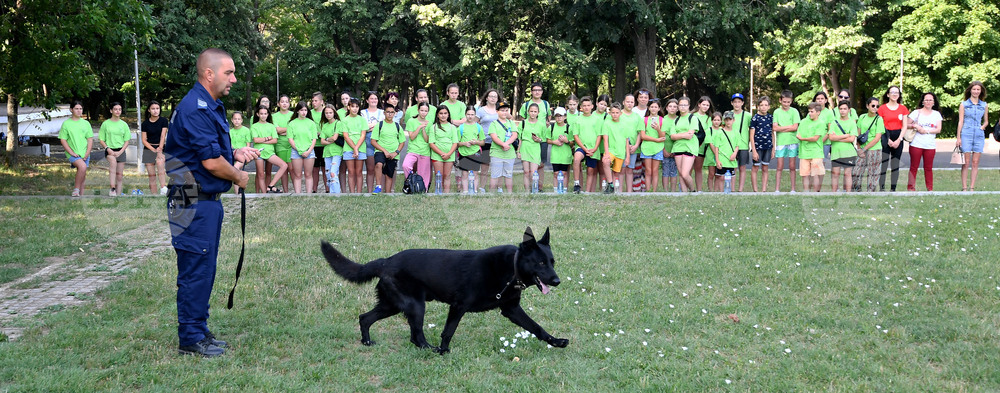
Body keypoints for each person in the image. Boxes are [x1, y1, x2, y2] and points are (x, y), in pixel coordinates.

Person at [164, 48, 259, 357]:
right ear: (209, 73)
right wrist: (238, 176)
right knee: (195, 269)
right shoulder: (195, 107)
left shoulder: (210, 106)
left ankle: (200, 329)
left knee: (204, 267)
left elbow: (210, 152)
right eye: (228, 73)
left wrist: (235, 155)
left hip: (202, 201)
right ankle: (190, 338)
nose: (233, 78)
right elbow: (210, 163)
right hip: (191, 200)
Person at [957, 81, 989, 191]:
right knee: (966, 162)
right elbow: (960, 121)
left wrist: (982, 127)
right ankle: (964, 187)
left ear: (981, 91)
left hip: (979, 134)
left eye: (978, 89)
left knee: (975, 162)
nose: (976, 91)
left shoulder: (984, 105)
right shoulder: (964, 104)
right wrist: (958, 137)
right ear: (970, 90)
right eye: (974, 89)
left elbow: (986, 121)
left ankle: (972, 187)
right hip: (966, 133)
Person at [571, 96, 607, 193]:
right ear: (581, 107)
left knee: (591, 170)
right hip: (582, 147)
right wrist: (584, 148)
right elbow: (576, 135)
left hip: (593, 148)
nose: (586, 107)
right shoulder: (578, 119)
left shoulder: (597, 119)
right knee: (576, 159)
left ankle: (587, 191)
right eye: (584, 106)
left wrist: (595, 148)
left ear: (592, 106)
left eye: (588, 105)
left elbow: (599, 135)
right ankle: (576, 184)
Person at [907, 92, 942, 191]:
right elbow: (906, 124)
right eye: (926, 100)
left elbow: (938, 129)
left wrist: (925, 131)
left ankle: (929, 188)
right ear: (922, 101)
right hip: (916, 144)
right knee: (914, 167)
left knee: (928, 168)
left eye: (930, 100)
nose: (928, 102)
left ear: (934, 102)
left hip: (930, 145)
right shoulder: (916, 112)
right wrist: (916, 126)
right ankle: (911, 188)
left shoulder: (936, 114)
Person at [520, 83, 551, 189]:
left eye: (539, 90)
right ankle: (529, 188)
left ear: (542, 91)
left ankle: (539, 187)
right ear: (531, 92)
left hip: (541, 137)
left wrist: (547, 122)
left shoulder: (546, 104)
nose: (537, 92)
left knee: (541, 164)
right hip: (528, 140)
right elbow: (522, 120)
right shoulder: (526, 104)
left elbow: (549, 116)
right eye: (534, 90)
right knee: (528, 169)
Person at [877, 86, 908, 191]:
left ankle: (893, 188)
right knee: (884, 164)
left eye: (897, 92)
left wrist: (899, 139)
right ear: (888, 94)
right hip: (885, 136)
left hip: (898, 136)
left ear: (899, 95)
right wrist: (888, 140)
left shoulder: (903, 108)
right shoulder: (882, 108)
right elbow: (880, 126)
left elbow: (905, 126)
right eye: (892, 92)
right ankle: (882, 188)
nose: (894, 94)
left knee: (895, 164)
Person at [250, 105, 287, 193]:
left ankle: (270, 185)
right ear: (258, 114)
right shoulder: (254, 126)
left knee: (284, 165)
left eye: (265, 114)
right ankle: (264, 194)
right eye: (261, 114)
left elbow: (274, 140)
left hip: (270, 152)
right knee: (261, 174)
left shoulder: (271, 126)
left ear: (268, 115)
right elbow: (255, 140)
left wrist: (262, 141)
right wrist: (267, 138)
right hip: (258, 152)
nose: (263, 115)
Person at [59, 101, 93, 197]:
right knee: (82, 167)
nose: (79, 111)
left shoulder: (86, 123)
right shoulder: (66, 124)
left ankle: (80, 197)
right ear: (71, 110)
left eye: (80, 109)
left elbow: (90, 140)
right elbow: (63, 140)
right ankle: (76, 189)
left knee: (83, 174)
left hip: (84, 153)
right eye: (76, 109)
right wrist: (71, 152)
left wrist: (87, 153)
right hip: (73, 153)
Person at [371, 104, 406, 194]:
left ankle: (388, 193)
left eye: (392, 112)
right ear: (384, 113)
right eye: (388, 112)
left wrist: (396, 152)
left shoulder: (397, 126)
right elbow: (373, 141)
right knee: (379, 164)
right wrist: (384, 151)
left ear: (395, 113)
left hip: (393, 153)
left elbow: (402, 142)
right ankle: (378, 186)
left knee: (389, 174)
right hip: (381, 151)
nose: (390, 114)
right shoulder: (380, 125)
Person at [98, 102, 131, 196]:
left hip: (121, 150)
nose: (118, 111)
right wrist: (108, 149)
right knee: (113, 163)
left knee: (119, 175)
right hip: (110, 150)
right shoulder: (105, 124)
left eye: (119, 109)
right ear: (111, 110)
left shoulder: (124, 124)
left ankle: (119, 193)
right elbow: (101, 139)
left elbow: (127, 140)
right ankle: (112, 188)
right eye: (115, 109)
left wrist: (121, 151)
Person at [854, 97, 885, 192]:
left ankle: (870, 192)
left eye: (877, 106)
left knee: (873, 173)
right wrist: (859, 149)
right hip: (862, 149)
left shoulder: (879, 119)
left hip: (875, 149)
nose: (875, 108)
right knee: (856, 172)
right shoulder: (862, 117)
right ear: (867, 106)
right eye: (873, 105)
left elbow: (877, 138)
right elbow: (857, 135)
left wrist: (864, 149)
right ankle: (857, 191)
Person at [772, 90, 800, 192]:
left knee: (792, 166)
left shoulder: (794, 111)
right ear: (780, 100)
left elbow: (795, 127)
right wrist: (789, 127)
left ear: (791, 101)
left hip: (792, 141)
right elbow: (775, 128)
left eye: (788, 102)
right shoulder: (776, 112)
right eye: (784, 102)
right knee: (779, 166)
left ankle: (793, 189)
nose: (786, 104)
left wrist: (782, 128)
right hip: (781, 142)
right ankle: (777, 189)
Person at [287, 101, 318, 193]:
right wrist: (299, 150)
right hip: (296, 151)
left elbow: (314, 139)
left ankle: (308, 194)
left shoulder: (311, 123)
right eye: (301, 110)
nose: (304, 112)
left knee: (308, 174)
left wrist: (308, 151)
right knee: (297, 175)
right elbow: (290, 139)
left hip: (309, 151)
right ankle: (298, 194)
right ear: (297, 111)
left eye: (305, 110)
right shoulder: (291, 123)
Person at [828, 100, 858, 192]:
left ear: (849, 110)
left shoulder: (852, 123)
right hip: (836, 151)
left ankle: (848, 193)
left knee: (847, 174)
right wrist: (845, 135)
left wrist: (837, 137)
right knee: (835, 173)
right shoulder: (834, 122)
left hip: (848, 152)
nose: (842, 111)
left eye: (845, 109)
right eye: (840, 109)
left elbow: (851, 139)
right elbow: (831, 137)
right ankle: (834, 193)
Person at [141, 101, 169, 195]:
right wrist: (152, 149)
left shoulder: (163, 121)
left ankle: (163, 188)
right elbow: (144, 140)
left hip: (160, 147)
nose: (155, 111)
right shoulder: (145, 123)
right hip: (148, 148)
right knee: (151, 174)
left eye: (157, 108)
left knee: (160, 166)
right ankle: (154, 194)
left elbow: (163, 136)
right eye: (153, 109)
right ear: (149, 110)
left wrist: (159, 149)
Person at [489, 102, 518, 193]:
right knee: (495, 175)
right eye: (502, 111)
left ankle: (509, 193)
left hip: (509, 153)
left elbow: (514, 135)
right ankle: (491, 193)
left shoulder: (511, 123)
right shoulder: (493, 124)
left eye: (506, 110)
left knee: (508, 174)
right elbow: (494, 137)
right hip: (497, 153)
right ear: (497, 111)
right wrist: (503, 144)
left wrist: (507, 144)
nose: (504, 112)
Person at [403, 102, 433, 190]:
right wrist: (419, 127)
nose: (423, 113)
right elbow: (412, 137)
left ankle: (423, 189)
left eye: (426, 111)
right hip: (413, 150)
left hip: (425, 151)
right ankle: (411, 183)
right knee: (406, 165)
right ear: (418, 110)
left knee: (424, 173)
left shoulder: (430, 123)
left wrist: (424, 129)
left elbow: (427, 140)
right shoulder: (411, 121)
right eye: (422, 110)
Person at [670, 97, 697, 192]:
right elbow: (672, 136)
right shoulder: (676, 120)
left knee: (685, 173)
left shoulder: (692, 118)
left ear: (689, 106)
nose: (683, 107)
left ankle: (693, 190)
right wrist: (683, 135)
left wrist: (679, 135)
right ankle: (684, 194)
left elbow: (690, 135)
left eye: (685, 105)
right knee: (681, 174)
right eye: (681, 105)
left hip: (689, 148)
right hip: (677, 148)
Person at [456, 107, 486, 193]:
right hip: (464, 153)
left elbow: (483, 142)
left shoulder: (478, 127)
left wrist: (476, 142)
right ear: (465, 115)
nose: (470, 116)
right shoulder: (461, 128)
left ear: (475, 115)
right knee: (464, 173)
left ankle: (475, 190)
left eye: (472, 114)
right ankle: (465, 191)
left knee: (475, 173)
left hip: (475, 153)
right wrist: (464, 143)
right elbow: (456, 143)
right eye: (468, 114)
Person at [428, 106, 458, 193]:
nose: (443, 115)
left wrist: (448, 154)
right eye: (441, 113)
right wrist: (441, 153)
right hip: (437, 155)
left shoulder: (452, 127)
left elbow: (455, 143)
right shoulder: (433, 127)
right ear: (437, 115)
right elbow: (431, 143)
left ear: (448, 115)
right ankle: (438, 193)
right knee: (439, 175)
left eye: (445, 113)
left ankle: (446, 193)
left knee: (447, 175)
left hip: (450, 155)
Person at [797, 103, 826, 192]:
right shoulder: (803, 122)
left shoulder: (821, 123)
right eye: (809, 111)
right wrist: (803, 138)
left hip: (816, 152)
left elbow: (815, 138)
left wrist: (803, 138)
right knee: (805, 174)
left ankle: (815, 193)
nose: (810, 113)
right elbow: (798, 135)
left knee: (815, 174)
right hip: (804, 153)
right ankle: (806, 192)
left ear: (818, 112)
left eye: (812, 111)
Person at [602, 102, 630, 193]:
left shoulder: (625, 124)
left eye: (617, 112)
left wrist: (628, 156)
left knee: (616, 172)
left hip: (621, 152)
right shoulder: (607, 123)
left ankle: (611, 190)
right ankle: (610, 183)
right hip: (611, 150)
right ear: (610, 113)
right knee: (605, 161)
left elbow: (626, 141)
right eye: (613, 112)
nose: (615, 114)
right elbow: (605, 140)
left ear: (620, 113)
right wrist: (606, 153)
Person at [342, 98, 368, 193]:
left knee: (359, 172)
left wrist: (356, 148)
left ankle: (359, 192)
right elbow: (346, 136)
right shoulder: (345, 120)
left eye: (357, 106)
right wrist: (354, 148)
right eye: (352, 106)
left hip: (360, 148)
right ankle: (352, 192)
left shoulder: (362, 120)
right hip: (348, 149)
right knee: (351, 172)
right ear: (348, 107)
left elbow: (363, 135)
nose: (355, 109)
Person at [519, 103, 546, 192]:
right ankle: (527, 190)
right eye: (531, 111)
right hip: (525, 148)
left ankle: (534, 189)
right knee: (526, 172)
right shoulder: (523, 123)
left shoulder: (542, 125)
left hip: (535, 148)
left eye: (535, 111)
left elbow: (543, 138)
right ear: (528, 112)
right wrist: (518, 151)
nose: (533, 113)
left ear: (538, 112)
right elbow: (520, 139)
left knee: (533, 172)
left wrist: (538, 139)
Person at [476, 89, 501, 188]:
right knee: (485, 167)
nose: (493, 98)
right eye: (491, 96)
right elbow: (474, 124)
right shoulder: (481, 110)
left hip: (497, 142)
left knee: (497, 166)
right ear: (486, 98)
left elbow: (508, 119)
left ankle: (498, 188)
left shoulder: (500, 109)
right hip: (485, 141)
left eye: (495, 96)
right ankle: (482, 188)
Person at [639, 99, 664, 192]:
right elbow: (643, 135)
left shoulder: (662, 120)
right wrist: (656, 139)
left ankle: (654, 191)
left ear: (659, 108)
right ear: (648, 108)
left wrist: (658, 129)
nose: (653, 109)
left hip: (658, 148)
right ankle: (648, 190)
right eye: (652, 107)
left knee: (655, 171)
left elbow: (663, 136)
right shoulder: (644, 120)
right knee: (648, 171)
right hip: (647, 148)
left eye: (655, 107)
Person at [749, 96, 773, 192]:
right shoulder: (755, 119)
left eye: (766, 105)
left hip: (768, 146)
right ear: (758, 106)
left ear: (769, 107)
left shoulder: (770, 118)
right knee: (755, 167)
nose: (764, 107)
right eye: (761, 105)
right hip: (758, 146)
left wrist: (773, 149)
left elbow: (772, 134)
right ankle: (755, 190)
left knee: (765, 167)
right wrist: (754, 151)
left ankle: (763, 190)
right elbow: (751, 135)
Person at [318, 104, 344, 194]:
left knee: (333, 172)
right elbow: (322, 141)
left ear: (334, 113)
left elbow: (335, 138)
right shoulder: (324, 125)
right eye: (326, 113)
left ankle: (336, 193)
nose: (328, 115)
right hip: (327, 152)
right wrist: (329, 139)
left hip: (336, 151)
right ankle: (331, 192)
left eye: (330, 112)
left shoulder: (338, 123)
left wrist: (327, 139)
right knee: (328, 173)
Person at [618, 94, 642, 193]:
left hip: (633, 148)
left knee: (630, 170)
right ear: (623, 102)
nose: (629, 104)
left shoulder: (637, 117)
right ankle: (619, 191)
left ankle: (629, 192)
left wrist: (636, 145)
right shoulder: (618, 115)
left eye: (632, 102)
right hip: (620, 147)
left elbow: (640, 132)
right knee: (621, 170)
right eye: (628, 101)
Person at [360, 91, 383, 193]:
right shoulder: (362, 113)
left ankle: (380, 189)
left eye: (375, 98)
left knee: (379, 167)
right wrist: (370, 127)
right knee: (370, 169)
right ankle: (369, 191)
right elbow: (362, 127)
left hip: (380, 142)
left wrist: (372, 127)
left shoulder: (382, 112)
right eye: (371, 98)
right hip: (368, 142)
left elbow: (383, 126)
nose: (374, 100)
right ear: (367, 100)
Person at [712, 111, 739, 191]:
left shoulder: (736, 132)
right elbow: (716, 147)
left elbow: (737, 145)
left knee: (731, 177)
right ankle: (721, 192)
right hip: (722, 159)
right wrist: (717, 160)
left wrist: (734, 154)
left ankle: (731, 190)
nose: (728, 122)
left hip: (731, 159)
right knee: (721, 177)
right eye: (726, 120)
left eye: (730, 120)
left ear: (733, 120)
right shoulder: (719, 132)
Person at [547, 107, 573, 192]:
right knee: (556, 173)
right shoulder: (551, 127)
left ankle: (564, 190)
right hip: (555, 154)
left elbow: (573, 142)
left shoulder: (569, 128)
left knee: (564, 173)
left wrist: (566, 141)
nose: (559, 118)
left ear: (565, 117)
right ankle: (555, 190)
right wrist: (554, 142)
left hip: (565, 154)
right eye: (557, 116)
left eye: (561, 116)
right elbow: (547, 140)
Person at [271, 95, 293, 192]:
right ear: (278, 104)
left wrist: (283, 131)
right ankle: (286, 191)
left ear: (289, 103)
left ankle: (297, 191)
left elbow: (295, 129)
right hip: (280, 144)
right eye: (282, 102)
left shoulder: (293, 115)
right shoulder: (274, 116)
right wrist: (288, 130)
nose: (284, 103)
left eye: (286, 102)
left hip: (292, 144)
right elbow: (277, 130)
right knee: (284, 168)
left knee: (292, 168)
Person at [691, 96, 712, 191]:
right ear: (699, 104)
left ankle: (699, 190)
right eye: (703, 104)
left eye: (707, 105)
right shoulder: (692, 115)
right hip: (690, 146)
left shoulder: (709, 118)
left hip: (702, 147)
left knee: (698, 169)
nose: (705, 107)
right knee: (688, 170)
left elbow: (709, 133)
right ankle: (686, 188)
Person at [229, 112, 252, 189]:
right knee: (237, 171)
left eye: (239, 119)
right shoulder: (230, 132)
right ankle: (237, 193)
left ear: (242, 120)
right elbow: (229, 145)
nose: (237, 121)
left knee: (236, 168)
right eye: (235, 119)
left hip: (244, 154)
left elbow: (248, 145)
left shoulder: (246, 130)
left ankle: (239, 192)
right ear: (232, 120)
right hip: (233, 153)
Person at [309, 92, 327, 192]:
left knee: (325, 168)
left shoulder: (326, 112)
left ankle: (327, 189)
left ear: (321, 102)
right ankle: (314, 189)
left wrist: (322, 134)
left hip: (325, 144)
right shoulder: (309, 113)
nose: (314, 103)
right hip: (313, 145)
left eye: (316, 101)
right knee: (314, 169)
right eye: (312, 101)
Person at [661, 99, 679, 192]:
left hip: (676, 149)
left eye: (675, 107)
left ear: (677, 109)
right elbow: (661, 136)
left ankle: (673, 191)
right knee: (665, 171)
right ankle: (665, 191)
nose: (672, 108)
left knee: (673, 171)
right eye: (670, 106)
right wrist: (663, 149)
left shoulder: (679, 119)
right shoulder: (663, 119)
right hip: (665, 149)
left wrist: (675, 151)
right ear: (667, 108)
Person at [704, 112, 724, 192]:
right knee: (711, 173)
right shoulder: (709, 130)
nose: (716, 122)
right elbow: (710, 143)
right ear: (712, 120)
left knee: (718, 174)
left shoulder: (722, 130)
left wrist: (719, 154)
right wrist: (716, 153)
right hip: (711, 154)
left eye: (718, 120)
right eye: (715, 120)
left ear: (721, 121)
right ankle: (710, 190)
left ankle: (716, 190)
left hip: (720, 155)